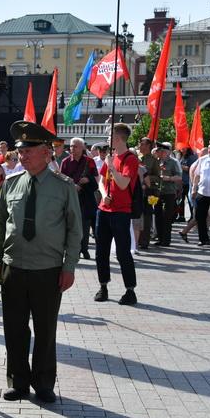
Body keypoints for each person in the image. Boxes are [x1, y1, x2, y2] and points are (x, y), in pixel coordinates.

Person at [0, 120, 82, 403]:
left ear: (46, 152)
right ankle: (18, 381)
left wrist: (69, 268)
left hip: (48, 270)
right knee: (14, 327)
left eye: (29, 151)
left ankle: (44, 383)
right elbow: (0, 224)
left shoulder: (63, 187)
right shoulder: (11, 183)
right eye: (20, 151)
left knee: (45, 328)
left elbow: (74, 230)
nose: (22, 156)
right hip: (14, 266)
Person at [94, 123, 140, 305]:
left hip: (121, 212)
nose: (107, 138)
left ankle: (130, 290)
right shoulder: (110, 158)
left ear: (118, 138)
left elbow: (123, 184)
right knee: (100, 251)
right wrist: (104, 195)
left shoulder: (130, 159)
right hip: (104, 210)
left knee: (122, 253)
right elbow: (100, 181)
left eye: (110, 135)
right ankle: (103, 285)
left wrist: (112, 167)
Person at [60, 137, 99, 259]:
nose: (72, 148)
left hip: (85, 198)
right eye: (71, 146)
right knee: (70, 225)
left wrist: (88, 180)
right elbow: (61, 179)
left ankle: (84, 249)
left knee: (84, 225)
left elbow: (96, 181)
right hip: (71, 197)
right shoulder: (65, 162)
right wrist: (72, 185)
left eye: (75, 146)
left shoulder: (89, 161)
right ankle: (72, 250)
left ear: (82, 148)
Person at [154, 143, 182, 246]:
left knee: (167, 216)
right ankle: (160, 238)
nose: (160, 153)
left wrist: (169, 178)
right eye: (159, 151)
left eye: (162, 151)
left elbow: (179, 177)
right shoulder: (156, 161)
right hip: (157, 192)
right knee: (158, 215)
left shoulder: (174, 162)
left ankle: (166, 239)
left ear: (167, 152)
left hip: (169, 192)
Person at [137, 138, 160, 249]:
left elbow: (157, 177)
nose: (140, 146)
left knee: (147, 215)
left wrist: (145, 176)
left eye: (142, 144)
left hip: (150, 191)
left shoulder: (154, 160)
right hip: (137, 190)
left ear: (148, 146)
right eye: (140, 144)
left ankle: (145, 240)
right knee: (137, 214)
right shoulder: (136, 158)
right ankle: (137, 239)